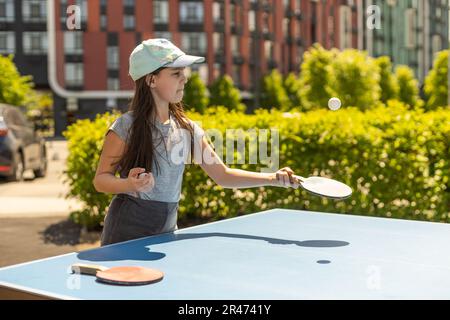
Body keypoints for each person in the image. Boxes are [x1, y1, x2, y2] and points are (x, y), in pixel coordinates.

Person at [93, 38, 300, 246]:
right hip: (124, 234)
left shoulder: (188, 129)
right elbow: (100, 180)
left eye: (183, 73)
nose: (184, 79)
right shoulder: (125, 126)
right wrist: (129, 184)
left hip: (165, 233)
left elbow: (223, 175)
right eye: (176, 73)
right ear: (151, 80)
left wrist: (273, 178)